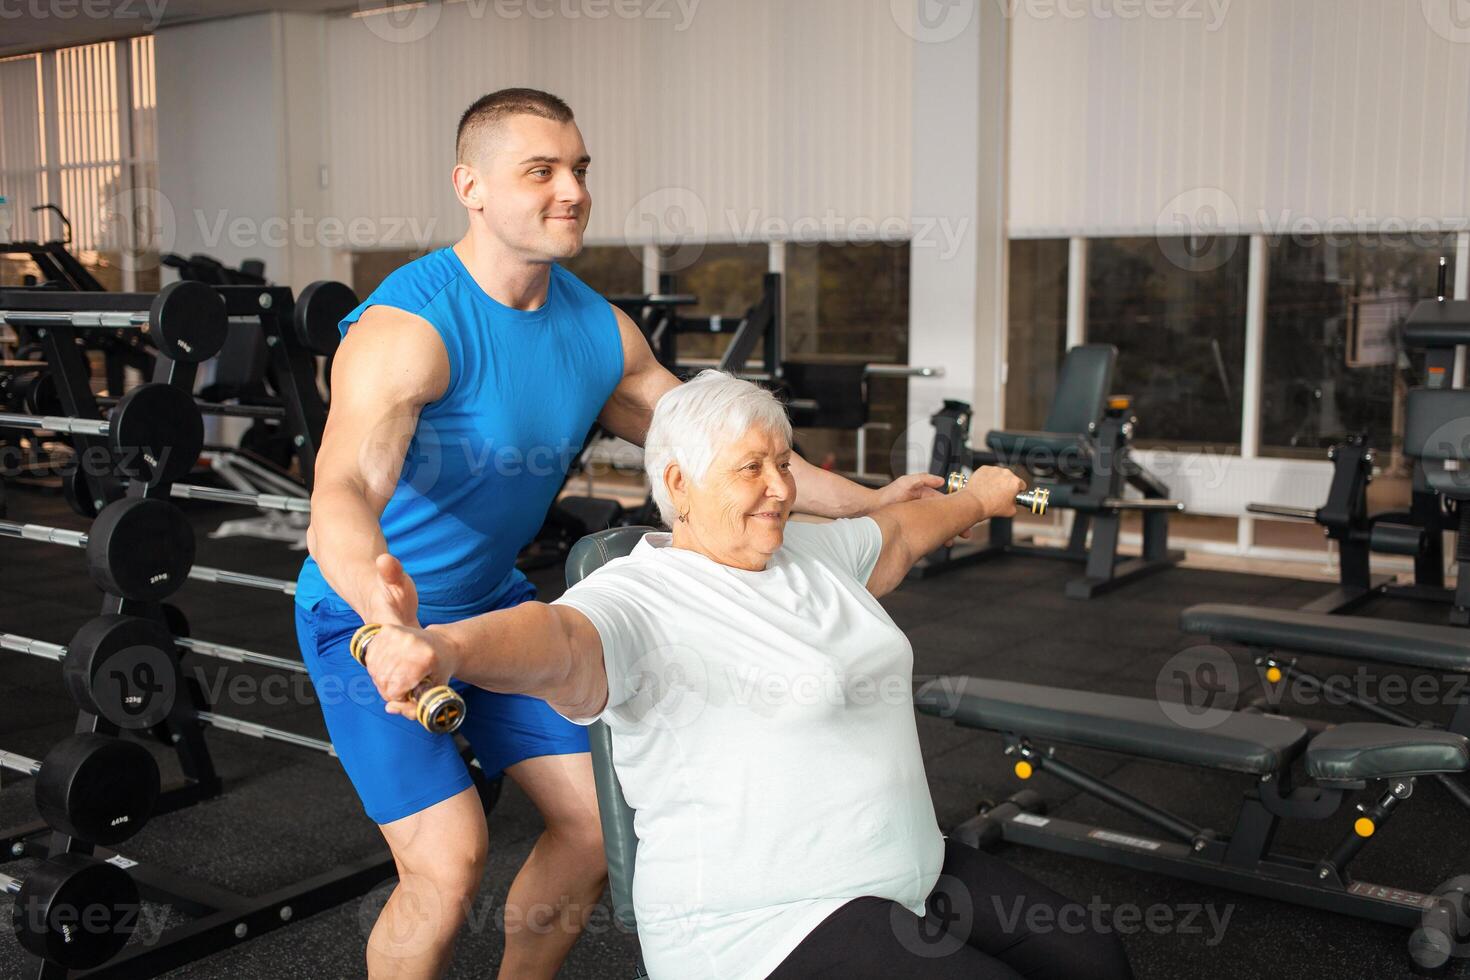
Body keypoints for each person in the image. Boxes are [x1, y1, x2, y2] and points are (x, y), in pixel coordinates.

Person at [298, 88, 954, 979]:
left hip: (490, 601)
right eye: (541, 171)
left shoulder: (598, 331)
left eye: (579, 169)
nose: (572, 190)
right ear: (472, 186)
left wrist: (871, 499)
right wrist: (378, 601)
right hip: (366, 617)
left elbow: (727, 452)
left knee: (595, 829)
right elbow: (339, 493)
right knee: (448, 867)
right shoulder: (408, 331)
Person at [355, 371, 1136, 980]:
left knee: (1092, 957)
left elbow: (898, 533)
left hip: (906, 870)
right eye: (750, 468)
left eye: (783, 462)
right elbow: (554, 638)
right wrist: (447, 650)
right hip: (762, 921)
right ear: (681, 486)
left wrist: (977, 499)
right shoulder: (637, 599)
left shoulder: (811, 554)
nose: (781, 487)